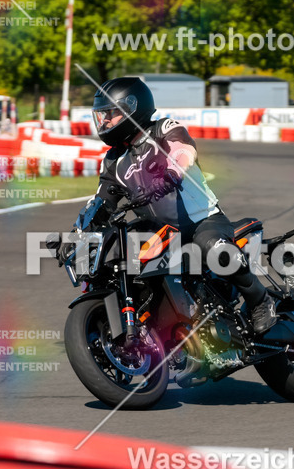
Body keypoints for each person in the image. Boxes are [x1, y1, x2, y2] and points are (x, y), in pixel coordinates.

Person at [63, 77, 278, 334]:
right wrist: (77, 236)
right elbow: (101, 202)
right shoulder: (112, 161)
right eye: (102, 116)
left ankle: (260, 300)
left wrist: (173, 172)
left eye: (111, 115)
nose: (105, 122)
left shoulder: (163, 129)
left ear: (133, 108)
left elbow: (183, 150)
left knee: (213, 248)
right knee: (126, 264)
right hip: (159, 232)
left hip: (201, 221)